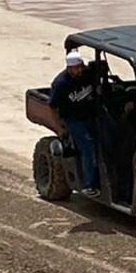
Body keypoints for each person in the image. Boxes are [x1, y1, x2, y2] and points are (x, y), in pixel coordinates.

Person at [49, 49, 101, 196]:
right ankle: (89, 184)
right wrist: (59, 128)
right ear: (69, 68)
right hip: (73, 120)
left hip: (91, 116)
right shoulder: (61, 84)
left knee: (108, 139)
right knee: (88, 147)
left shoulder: (87, 75)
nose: (79, 70)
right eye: (76, 68)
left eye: (81, 67)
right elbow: (53, 107)